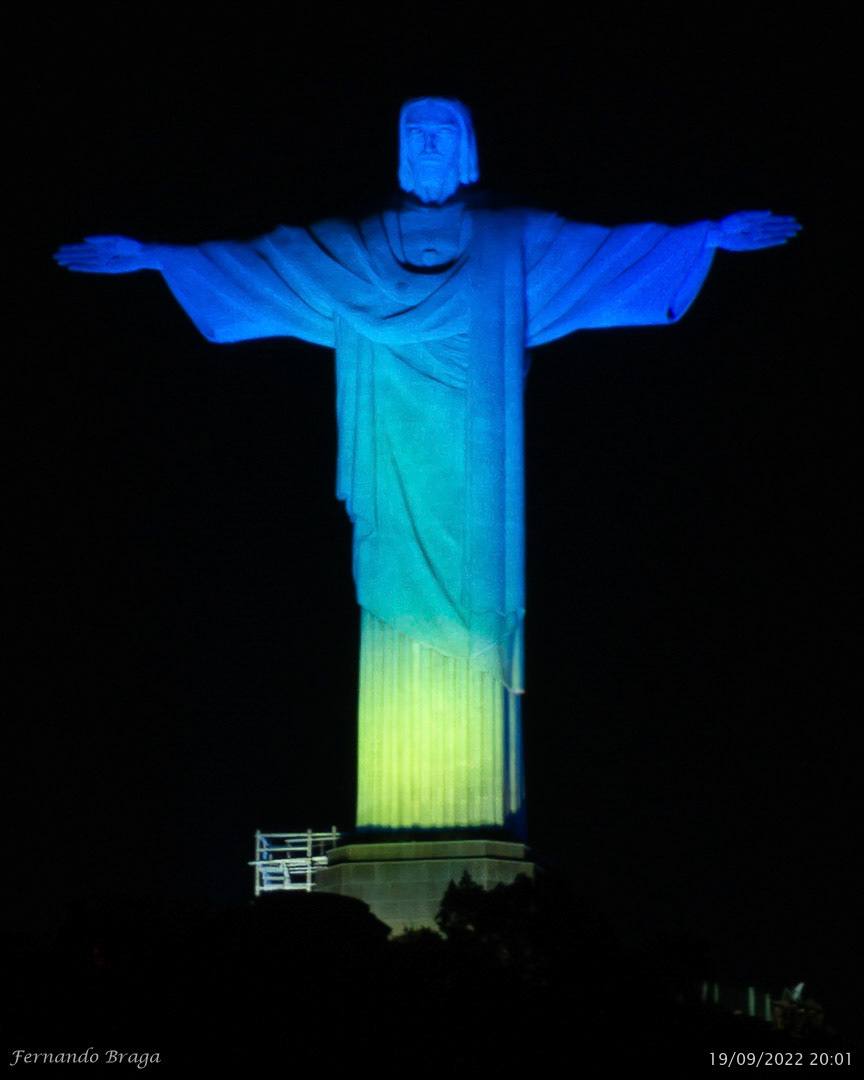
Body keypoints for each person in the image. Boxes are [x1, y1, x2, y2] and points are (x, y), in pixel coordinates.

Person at [55, 98, 800, 838]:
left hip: (477, 474)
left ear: (466, 147)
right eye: (418, 134)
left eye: (444, 134)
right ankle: (394, 827)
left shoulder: (510, 239)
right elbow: (267, 263)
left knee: (476, 603)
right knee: (389, 592)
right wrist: (157, 256)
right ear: (402, 148)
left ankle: (476, 823)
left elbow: (606, 255)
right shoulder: (357, 246)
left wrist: (706, 237)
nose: (431, 146)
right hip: (391, 463)